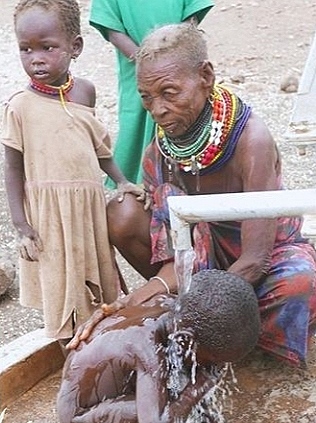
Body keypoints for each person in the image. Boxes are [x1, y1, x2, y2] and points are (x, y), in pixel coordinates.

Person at [68, 23, 316, 368]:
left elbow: (257, 259)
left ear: (206, 76)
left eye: (170, 93)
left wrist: (190, 312)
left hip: (265, 256)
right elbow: (177, 260)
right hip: (201, 260)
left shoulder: (251, 141)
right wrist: (132, 303)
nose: (157, 109)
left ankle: (251, 350)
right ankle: (206, 327)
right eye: (147, 97)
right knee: (122, 211)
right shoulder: (159, 153)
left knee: (298, 282)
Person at [1, 0, 149, 343]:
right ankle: (71, 354)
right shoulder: (19, 106)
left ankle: (103, 341)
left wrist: (124, 180)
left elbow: (98, 147)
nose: (36, 58)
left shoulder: (85, 92)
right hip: (50, 216)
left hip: (88, 206)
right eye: (26, 49)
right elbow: (12, 169)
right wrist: (22, 226)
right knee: (61, 284)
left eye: (47, 47)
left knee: (97, 273)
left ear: (75, 46)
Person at [57, 269, 261, 423]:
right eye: (216, 360)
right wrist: (196, 389)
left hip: (115, 391)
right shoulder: (147, 349)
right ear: (185, 340)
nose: (217, 367)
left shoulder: (173, 307)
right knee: (164, 408)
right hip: (81, 416)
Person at [89, 0, 214, 188]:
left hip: (177, 64)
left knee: (184, 113)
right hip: (137, 66)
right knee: (138, 119)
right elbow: (111, 26)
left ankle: (190, 178)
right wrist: (145, 61)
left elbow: (192, 14)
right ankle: (137, 185)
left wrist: (176, 50)